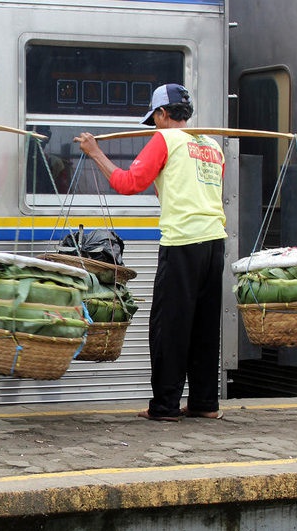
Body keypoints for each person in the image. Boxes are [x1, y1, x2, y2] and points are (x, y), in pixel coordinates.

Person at [75, 83, 226, 422]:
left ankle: (165, 406)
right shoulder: (211, 145)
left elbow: (128, 184)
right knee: (204, 325)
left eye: (154, 116)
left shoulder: (165, 140)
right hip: (215, 242)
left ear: (161, 113)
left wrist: (94, 152)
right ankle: (205, 403)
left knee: (169, 326)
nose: (154, 123)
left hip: (183, 243)